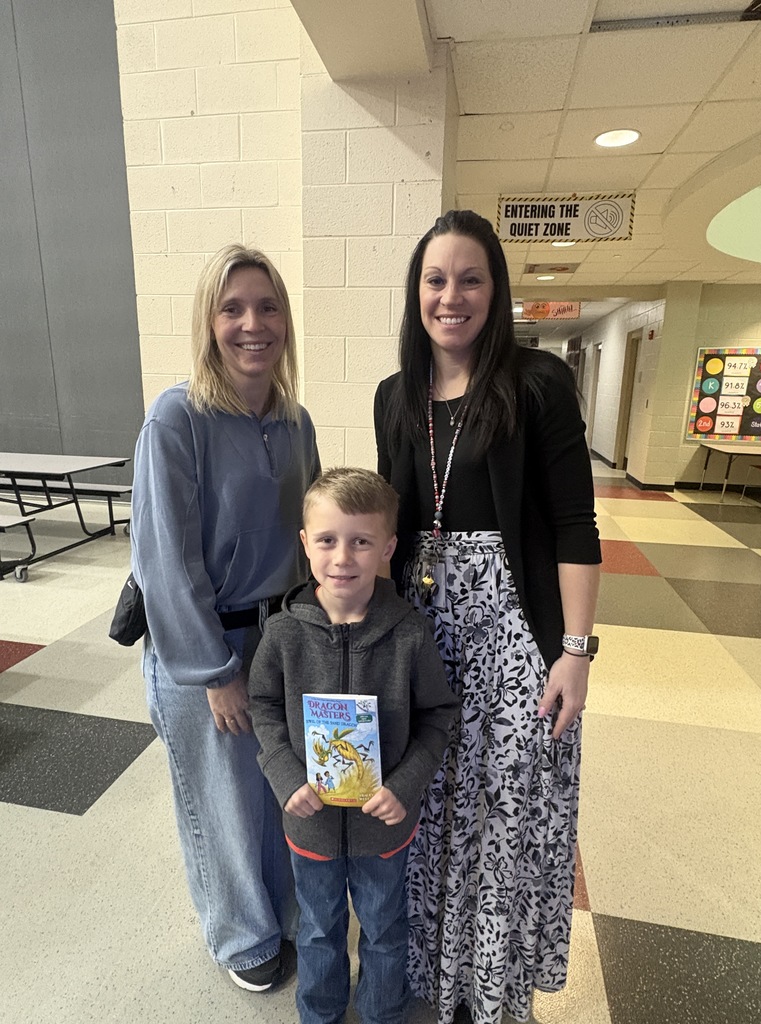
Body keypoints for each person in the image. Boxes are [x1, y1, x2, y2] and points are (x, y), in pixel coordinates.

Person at [373, 209, 601, 1024]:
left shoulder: (536, 384)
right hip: (423, 629)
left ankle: (496, 989)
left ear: (496, 290)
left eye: (471, 278)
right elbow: (384, 528)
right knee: (429, 804)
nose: (452, 295)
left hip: (514, 629)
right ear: (417, 293)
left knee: (506, 807)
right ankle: (437, 981)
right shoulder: (394, 395)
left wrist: (574, 652)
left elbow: (575, 522)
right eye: (436, 279)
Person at [130, 243, 320, 992]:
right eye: (233, 307)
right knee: (224, 803)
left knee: (275, 790)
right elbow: (165, 561)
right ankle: (242, 936)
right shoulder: (177, 418)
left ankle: (277, 913)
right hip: (204, 645)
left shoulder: (295, 421)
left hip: (280, 639)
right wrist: (214, 672)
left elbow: (310, 536)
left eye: (267, 307)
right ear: (209, 322)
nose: (252, 323)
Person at [248, 467, 459, 1024]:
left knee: (386, 928)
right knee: (318, 930)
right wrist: (285, 775)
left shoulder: (409, 633)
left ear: (388, 547)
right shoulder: (283, 633)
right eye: (327, 540)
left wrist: (405, 787)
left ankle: (382, 1013)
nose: (343, 557)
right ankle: (319, 1014)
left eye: (361, 541)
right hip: (311, 820)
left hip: (383, 823)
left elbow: (438, 714)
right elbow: (264, 707)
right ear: (305, 544)